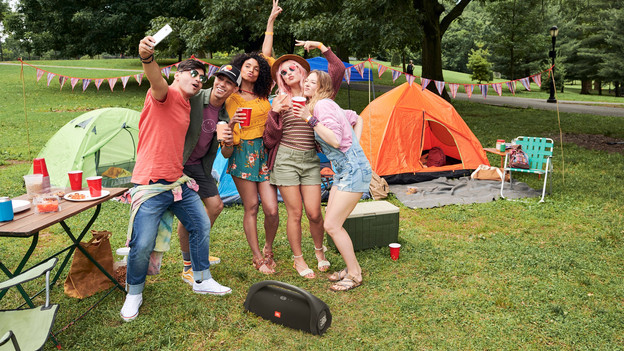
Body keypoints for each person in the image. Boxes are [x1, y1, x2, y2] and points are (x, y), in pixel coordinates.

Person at [121, 36, 231, 322]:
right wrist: (147, 58)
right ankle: (134, 292)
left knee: (200, 224)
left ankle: (201, 279)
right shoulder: (165, 94)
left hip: (178, 182)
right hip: (150, 184)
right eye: (192, 74)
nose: (198, 79)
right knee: (142, 243)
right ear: (178, 75)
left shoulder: (186, 104)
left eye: (201, 77)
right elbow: (156, 81)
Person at [263, 40, 345, 279]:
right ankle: (298, 259)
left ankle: (319, 251)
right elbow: (269, 140)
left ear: (303, 71)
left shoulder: (318, 96)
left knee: (315, 213)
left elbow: (338, 70)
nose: (288, 73)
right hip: (286, 159)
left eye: (293, 68)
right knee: (295, 213)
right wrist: (275, 112)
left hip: (310, 160)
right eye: (284, 71)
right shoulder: (278, 99)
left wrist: (321, 47)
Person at [292, 70, 371, 291]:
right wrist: (356, 143)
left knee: (332, 225)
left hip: (353, 172)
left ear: (322, 86)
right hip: (344, 171)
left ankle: (355, 274)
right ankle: (350, 266)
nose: (306, 83)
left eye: (312, 82)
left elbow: (335, 141)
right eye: (306, 80)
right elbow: (357, 117)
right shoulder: (324, 105)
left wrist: (309, 119)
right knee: (333, 223)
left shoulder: (322, 106)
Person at [224, 0, 281, 274]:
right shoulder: (230, 95)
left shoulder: (263, 94)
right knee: (252, 207)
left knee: (271, 208)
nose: (253, 70)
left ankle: (269, 248)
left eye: (256, 68)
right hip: (243, 151)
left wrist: (270, 23)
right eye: (248, 66)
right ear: (240, 68)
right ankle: (258, 257)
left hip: (265, 151)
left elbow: (266, 55)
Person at [177, 63, 242, 286]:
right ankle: (188, 265)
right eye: (220, 79)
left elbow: (226, 151)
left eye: (229, 82)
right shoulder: (195, 97)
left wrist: (229, 139)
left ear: (235, 89)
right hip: (181, 164)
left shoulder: (225, 114)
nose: (222, 84)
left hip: (201, 167)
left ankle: (198, 250)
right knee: (190, 214)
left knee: (215, 206)